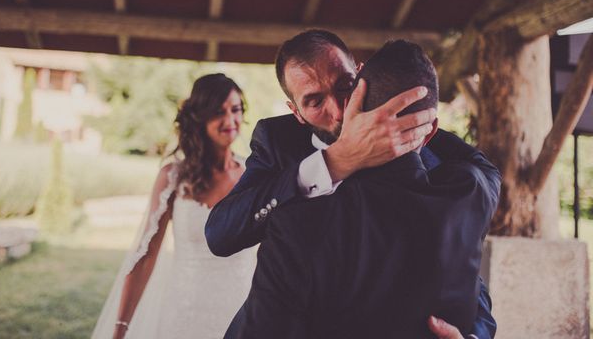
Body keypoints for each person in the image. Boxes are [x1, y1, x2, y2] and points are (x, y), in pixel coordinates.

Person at [205, 30, 497, 338]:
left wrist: (474, 334)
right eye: (315, 101)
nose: (339, 110)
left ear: (360, 74)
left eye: (345, 87)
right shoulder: (278, 141)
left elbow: (461, 266)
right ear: (297, 112)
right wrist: (336, 160)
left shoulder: (424, 138)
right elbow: (221, 234)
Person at [92, 73, 256, 339]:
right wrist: (121, 328)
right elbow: (146, 255)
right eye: (218, 112)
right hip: (184, 315)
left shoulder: (255, 175)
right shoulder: (174, 177)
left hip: (243, 316)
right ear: (199, 117)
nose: (230, 121)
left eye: (235, 110)